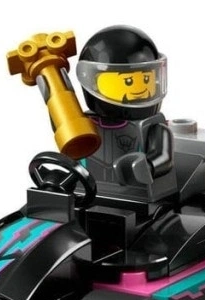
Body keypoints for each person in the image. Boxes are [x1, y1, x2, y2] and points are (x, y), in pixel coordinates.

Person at [75, 25, 176, 200]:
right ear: (92, 82)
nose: (140, 90)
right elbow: (74, 158)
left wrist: (148, 166)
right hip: (88, 194)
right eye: (128, 82)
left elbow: (164, 157)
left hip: (142, 199)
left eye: (146, 79)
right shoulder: (83, 125)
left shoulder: (154, 127)